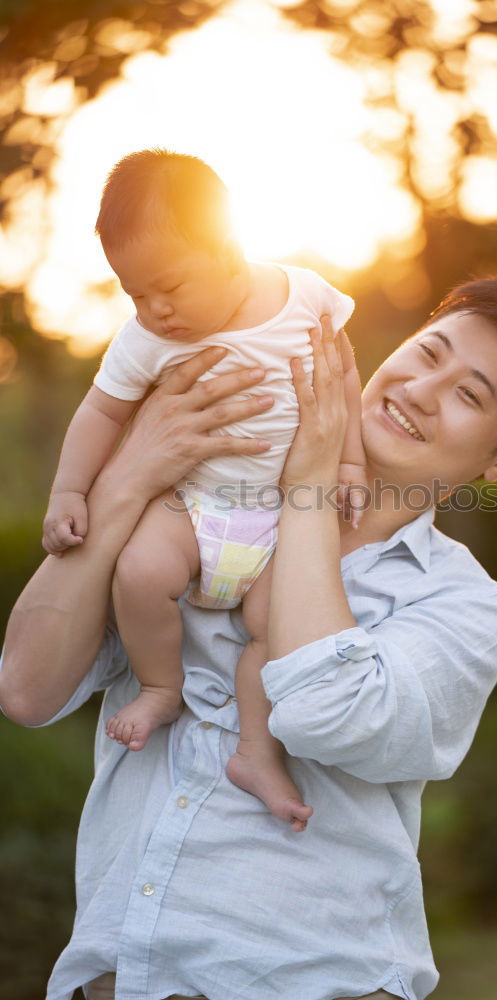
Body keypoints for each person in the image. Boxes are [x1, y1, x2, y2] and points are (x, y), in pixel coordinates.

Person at [0, 275, 497, 1000]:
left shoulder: (463, 607)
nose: (421, 390)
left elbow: (323, 707)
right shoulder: (198, 509)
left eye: (468, 395)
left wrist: (307, 488)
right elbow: (25, 688)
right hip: (119, 980)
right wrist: (125, 479)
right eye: (428, 354)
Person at [40, 149, 365, 832]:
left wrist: (350, 465)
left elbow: (342, 378)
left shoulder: (305, 296)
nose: (155, 309)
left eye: (169, 286)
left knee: (277, 627)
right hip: (193, 507)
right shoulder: (144, 342)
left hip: (280, 518)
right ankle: (161, 686)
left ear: (228, 245)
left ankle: (255, 750)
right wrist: (69, 492)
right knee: (138, 570)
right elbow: (101, 411)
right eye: (134, 294)